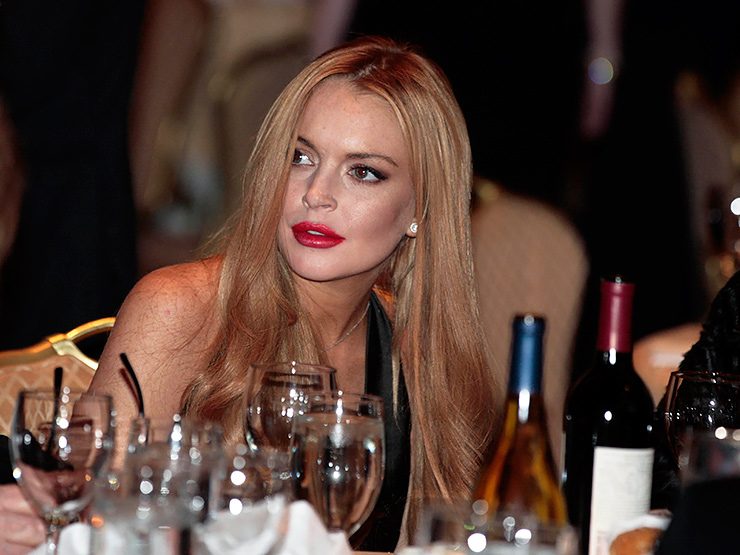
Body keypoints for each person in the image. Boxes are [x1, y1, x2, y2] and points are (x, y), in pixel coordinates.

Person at [0, 36, 499, 553]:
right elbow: (92, 527)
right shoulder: (181, 309)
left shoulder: (418, 354)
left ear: (422, 210)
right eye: (301, 157)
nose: (316, 194)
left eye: (363, 172)